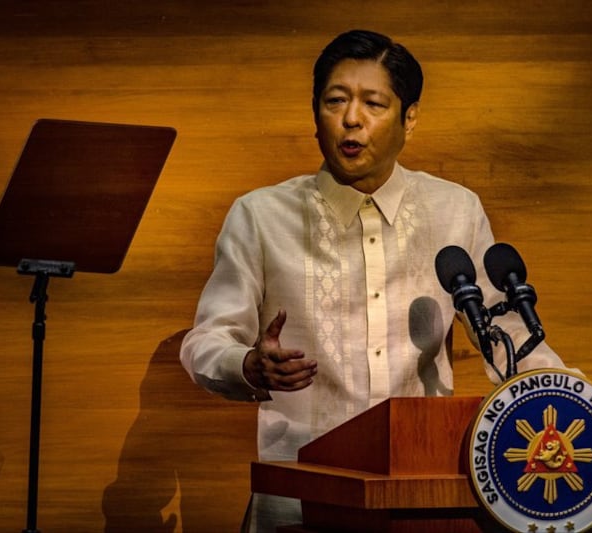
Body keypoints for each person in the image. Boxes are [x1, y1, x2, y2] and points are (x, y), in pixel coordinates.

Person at [180, 29, 568, 532]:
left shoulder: (455, 211)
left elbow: (507, 336)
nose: (351, 119)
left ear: (410, 119)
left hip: (424, 494)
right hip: (301, 496)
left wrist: (569, 397)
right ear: (314, 112)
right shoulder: (260, 216)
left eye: (374, 103)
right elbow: (205, 342)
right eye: (335, 100)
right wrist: (249, 365)